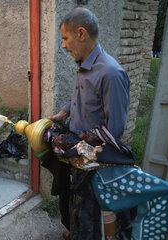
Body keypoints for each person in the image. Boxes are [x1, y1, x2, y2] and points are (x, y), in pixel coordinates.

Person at [47, 8, 131, 239]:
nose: (63, 45)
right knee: (73, 203)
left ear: (81, 33)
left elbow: (115, 129)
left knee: (90, 213)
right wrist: (64, 112)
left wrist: (83, 147)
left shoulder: (111, 73)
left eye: (65, 38)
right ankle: (74, 233)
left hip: (93, 159)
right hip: (77, 156)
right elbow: (78, 99)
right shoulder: (84, 65)